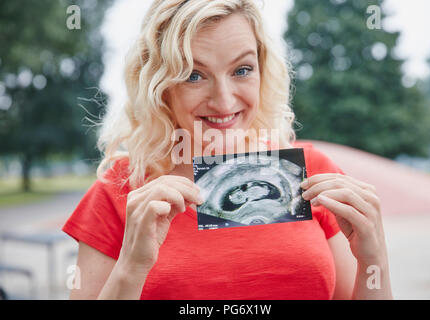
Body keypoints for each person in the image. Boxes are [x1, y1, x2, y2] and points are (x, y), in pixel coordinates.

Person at [63, 0, 393, 300]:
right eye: (194, 75)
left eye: (242, 70)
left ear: (263, 71)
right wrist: (131, 268)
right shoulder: (119, 191)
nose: (224, 100)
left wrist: (373, 257)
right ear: (161, 86)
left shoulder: (311, 174)